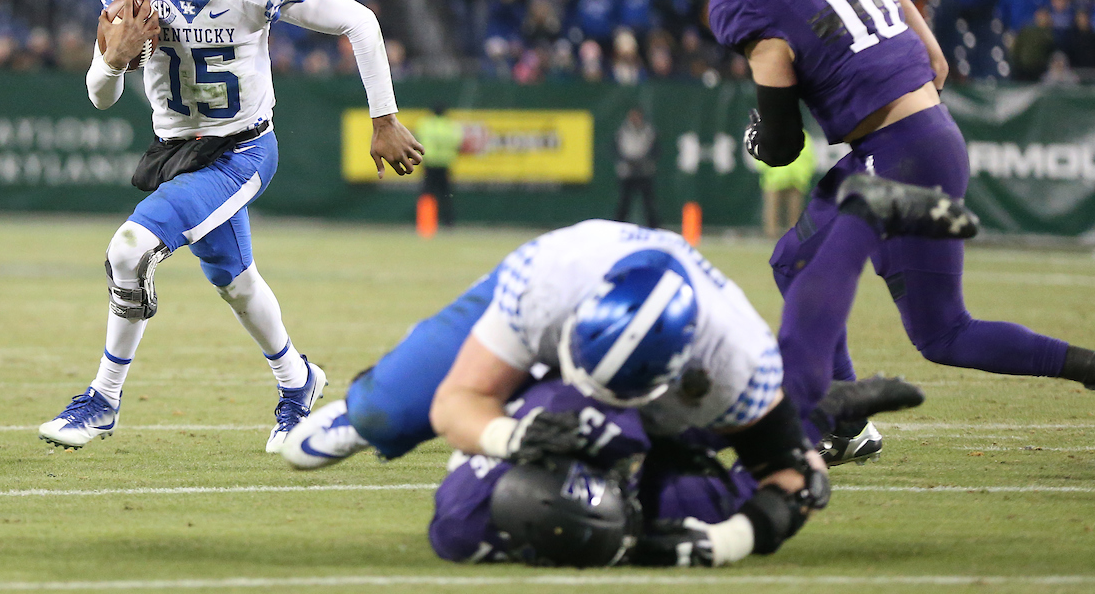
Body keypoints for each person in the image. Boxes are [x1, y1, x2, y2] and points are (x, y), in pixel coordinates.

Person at [695, 0, 1095, 466]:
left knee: (941, 333)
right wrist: (929, 53)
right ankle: (850, 422)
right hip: (922, 138)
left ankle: (851, 424)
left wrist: (760, 136)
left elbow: (784, 147)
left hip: (900, 155)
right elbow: (905, 11)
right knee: (802, 264)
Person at [38, 0, 423, 453]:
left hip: (242, 148)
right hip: (175, 149)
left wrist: (384, 119)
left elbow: (360, 21)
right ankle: (300, 384)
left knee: (130, 249)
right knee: (236, 283)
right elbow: (100, 96)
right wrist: (114, 59)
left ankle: (103, 398)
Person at [282, 203, 958, 470]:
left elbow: (778, 469)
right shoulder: (550, 282)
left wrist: (800, 436)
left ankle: (827, 411)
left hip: (673, 352)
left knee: (684, 450)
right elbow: (460, 402)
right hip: (564, 292)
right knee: (369, 420)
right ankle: (378, 391)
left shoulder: (733, 352)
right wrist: (507, 435)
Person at [429, 373, 922, 567]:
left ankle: (815, 407)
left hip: (583, 416)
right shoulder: (464, 531)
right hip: (631, 499)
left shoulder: (574, 417)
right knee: (796, 482)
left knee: (695, 410)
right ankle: (823, 421)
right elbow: (774, 507)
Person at [755, 129, 817, 240]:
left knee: (794, 213)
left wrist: (802, 176)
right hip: (774, 179)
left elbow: (809, 158)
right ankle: (770, 238)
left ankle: (794, 238)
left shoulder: (803, 136)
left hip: (795, 181)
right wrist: (768, 172)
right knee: (772, 211)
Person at [416, 104, 463, 227]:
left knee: (427, 193)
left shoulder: (425, 124)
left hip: (429, 163)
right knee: (446, 195)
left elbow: (418, 140)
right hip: (445, 163)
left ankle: (426, 223)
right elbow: (457, 143)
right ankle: (448, 222)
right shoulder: (451, 125)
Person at [613, 107, 659, 228]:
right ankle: (618, 227)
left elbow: (655, 149)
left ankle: (653, 228)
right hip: (627, 172)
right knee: (624, 203)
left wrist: (643, 161)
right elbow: (616, 148)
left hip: (644, 171)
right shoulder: (623, 130)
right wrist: (627, 161)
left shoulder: (648, 130)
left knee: (648, 203)